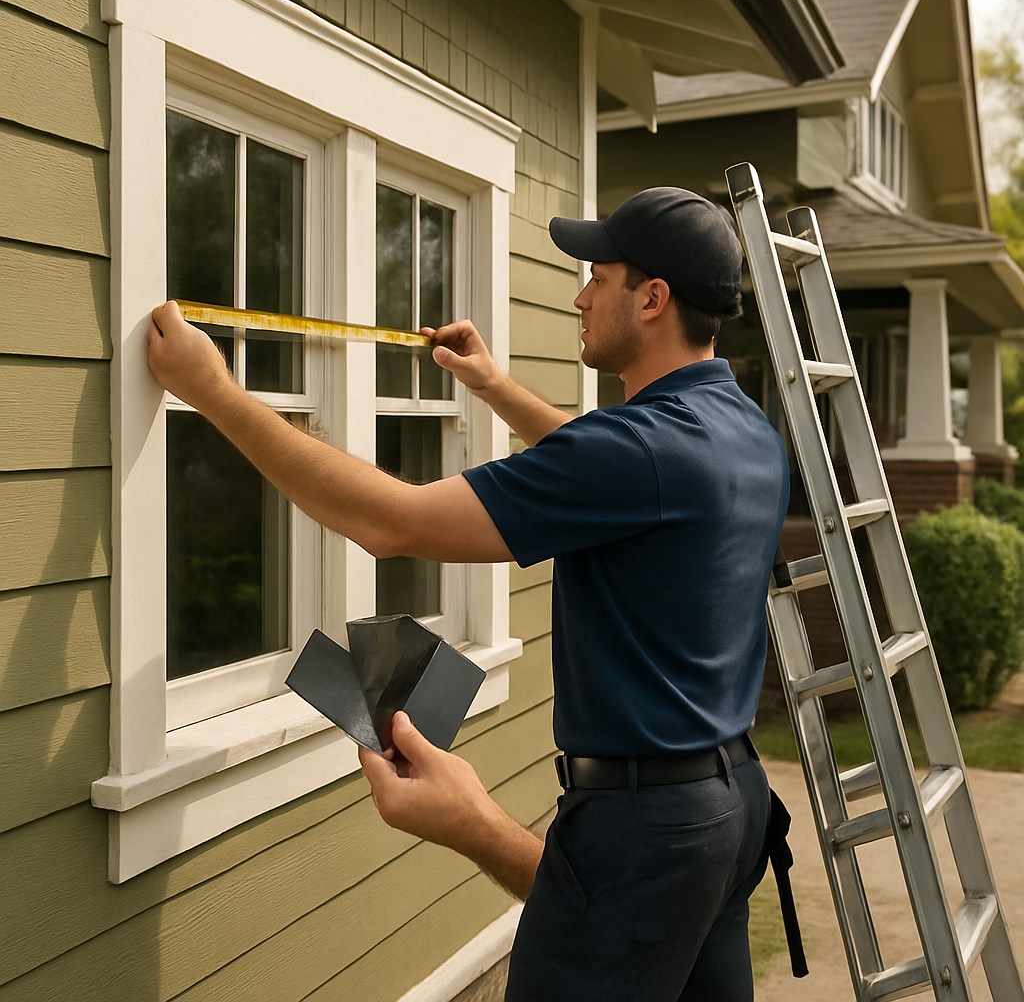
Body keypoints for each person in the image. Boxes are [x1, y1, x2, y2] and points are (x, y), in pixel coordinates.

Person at [148, 187, 789, 1001]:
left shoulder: (640, 451)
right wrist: (490, 384)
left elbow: (390, 523)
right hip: (731, 806)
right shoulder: (738, 431)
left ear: (653, 298)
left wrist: (215, 393)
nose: (580, 295)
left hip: (644, 829)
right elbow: (618, 474)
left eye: (598, 276)